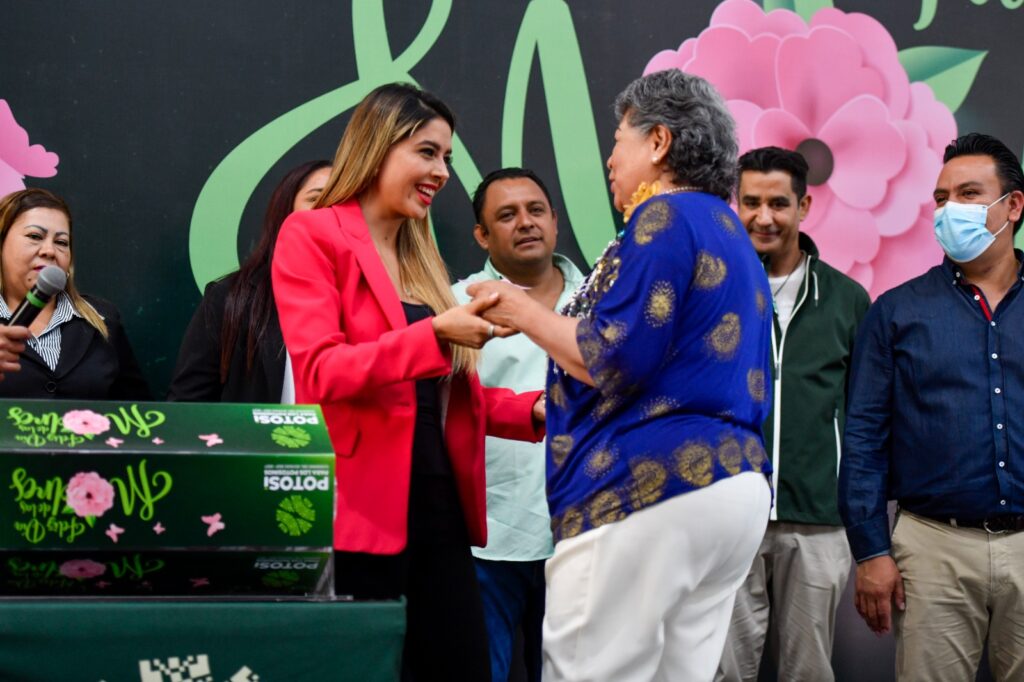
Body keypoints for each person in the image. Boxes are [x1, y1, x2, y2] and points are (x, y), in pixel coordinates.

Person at [466, 69, 773, 682]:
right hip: (733, 489)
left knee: (587, 672)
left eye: (618, 140)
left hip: (648, 488)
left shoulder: (662, 217)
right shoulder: (726, 227)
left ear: (657, 143)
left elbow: (612, 356)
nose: (610, 158)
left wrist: (520, 307)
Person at [270, 83, 544, 682]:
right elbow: (321, 371)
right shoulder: (312, 235)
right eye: (427, 152)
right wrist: (435, 336)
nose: (441, 171)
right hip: (359, 514)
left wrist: (534, 413)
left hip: (440, 506)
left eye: (445, 157)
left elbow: (439, 400)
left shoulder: (421, 253)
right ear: (378, 145)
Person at [840, 132, 1024, 682]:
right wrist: (870, 551)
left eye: (969, 194)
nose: (950, 211)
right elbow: (865, 439)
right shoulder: (896, 312)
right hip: (933, 546)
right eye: (942, 199)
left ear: (1012, 206)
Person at [717, 147, 869, 681]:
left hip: (818, 520)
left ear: (804, 205)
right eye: (751, 202)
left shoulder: (848, 300)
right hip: (730, 512)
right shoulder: (716, 292)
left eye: (778, 203)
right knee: (724, 669)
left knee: (809, 670)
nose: (764, 217)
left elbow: (864, 415)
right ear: (735, 204)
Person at [451, 167, 584, 682]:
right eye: (506, 215)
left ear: (554, 219)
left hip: (584, 531)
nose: (525, 223)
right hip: (491, 538)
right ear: (482, 236)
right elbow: (445, 404)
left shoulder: (605, 297)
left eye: (535, 211)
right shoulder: (457, 303)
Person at [167, 159, 331, 402]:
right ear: (286, 211)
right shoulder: (230, 298)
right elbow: (188, 405)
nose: (329, 210)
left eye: (343, 200)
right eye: (316, 198)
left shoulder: (378, 296)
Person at [0, 188, 149, 399]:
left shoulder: (102, 318)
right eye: (35, 236)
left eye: (61, 242)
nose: (49, 251)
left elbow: (139, 414)